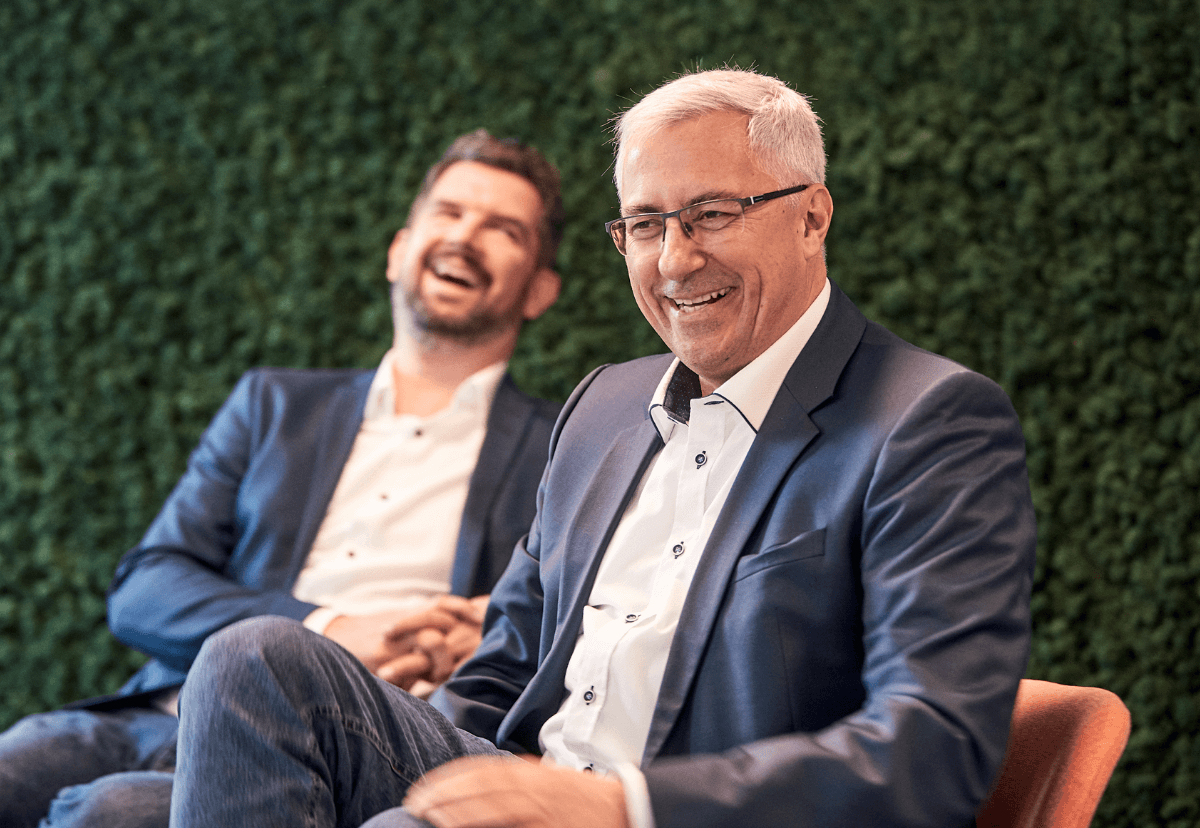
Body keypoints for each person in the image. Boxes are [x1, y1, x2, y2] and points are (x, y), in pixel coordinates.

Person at [168, 68, 1037, 828]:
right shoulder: (602, 407)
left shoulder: (930, 420)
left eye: (712, 214)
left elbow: (936, 748)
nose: (675, 261)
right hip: (523, 784)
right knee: (252, 658)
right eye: (646, 224)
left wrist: (624, 808)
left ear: (812, 217)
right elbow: (499, 676)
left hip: (678, 816)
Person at [0, 129, 566, 828]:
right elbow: (145, 586)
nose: (466, 237)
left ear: (540, 290)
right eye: (448, 213)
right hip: (156, 713)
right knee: (15, 765)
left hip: (343, 740)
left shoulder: (564, 443)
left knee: (110, 814)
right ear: (399, 249)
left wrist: (489, 632)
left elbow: (572, 623)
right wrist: (329, 627)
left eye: (503, 229)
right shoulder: (273, 404)